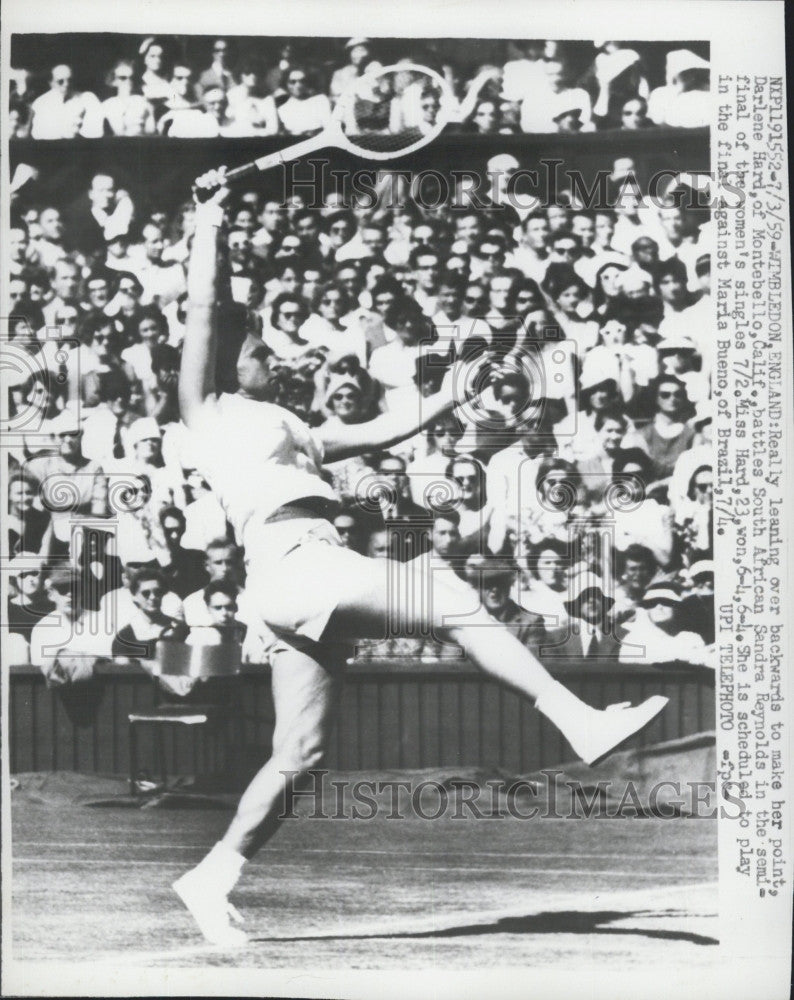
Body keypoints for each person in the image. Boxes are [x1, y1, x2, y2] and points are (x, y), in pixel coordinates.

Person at [170, 168, 668, 947]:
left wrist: (457, 389)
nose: (277, 359)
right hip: (295, 563)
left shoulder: (297, 429)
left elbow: (391, 429)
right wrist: (212, 220)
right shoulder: (209, 410)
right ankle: (577, 720)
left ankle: (213, 875)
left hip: (298, 577)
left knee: (299, 755)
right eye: (264, 351)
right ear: (233, 360)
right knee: (445, 590)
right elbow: (210, 308)